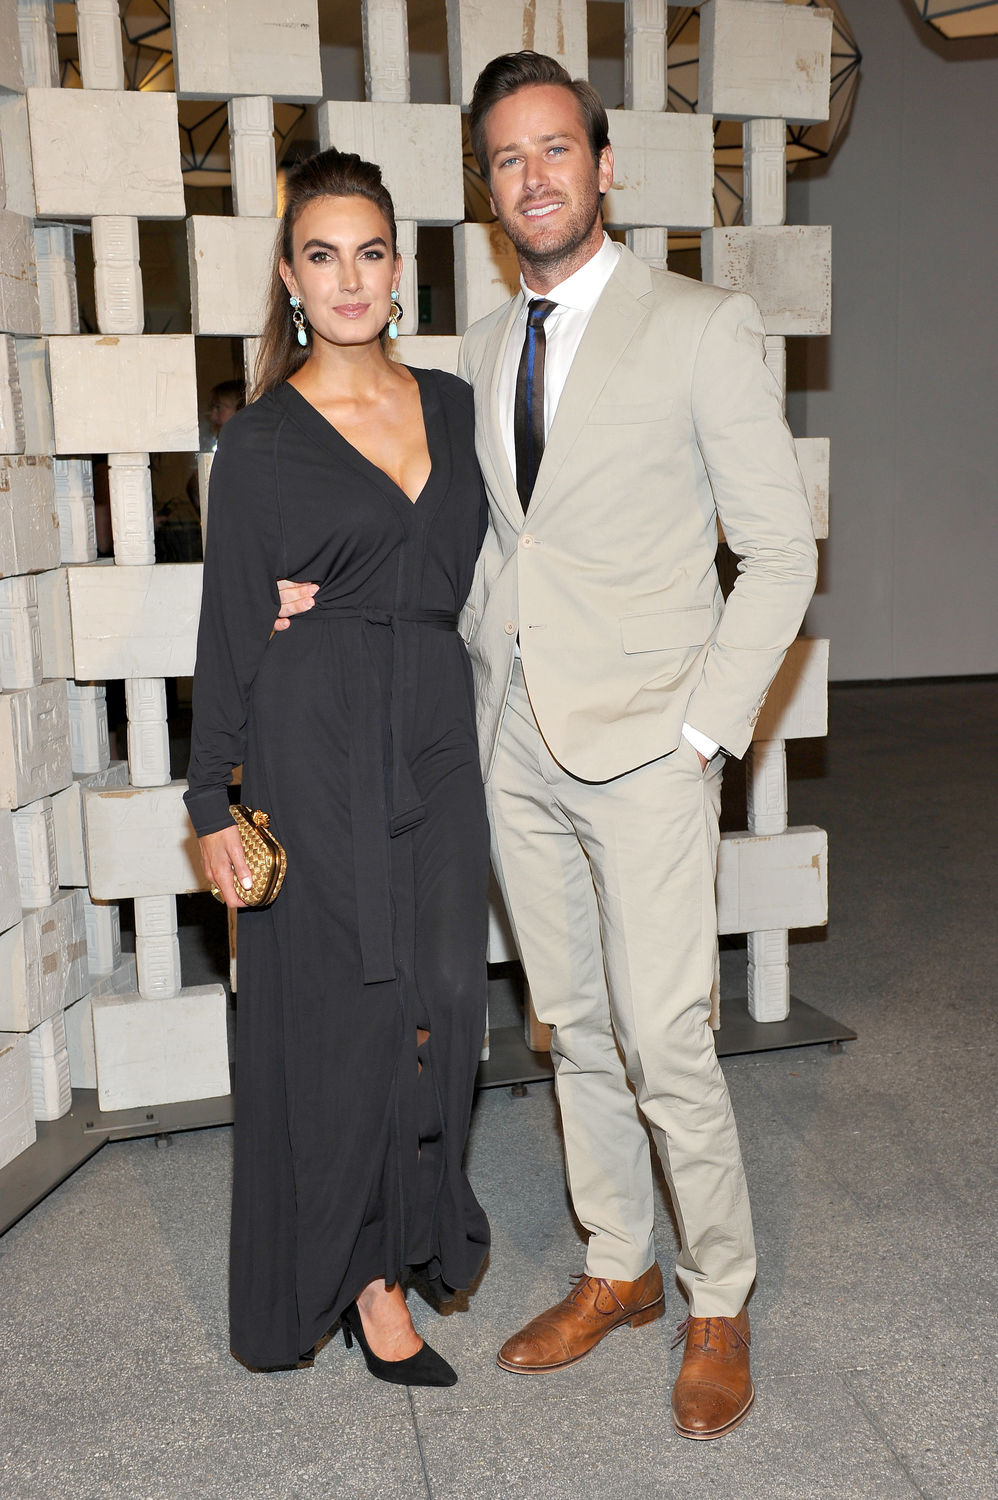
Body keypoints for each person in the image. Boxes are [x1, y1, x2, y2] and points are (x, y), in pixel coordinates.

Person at [277, 52, 818, 1438]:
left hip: (648, 743)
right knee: (570, 1024)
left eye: (554, 150)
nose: (533, 177)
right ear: (489, 186)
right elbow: (462, 536)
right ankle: (618, 1268)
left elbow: (774, 552)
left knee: (664, 1036)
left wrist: (705, 729)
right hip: (511, 736)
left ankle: (716, 1297)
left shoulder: (699, 325)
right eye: (507, 159)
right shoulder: (477, 342)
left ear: (601, 164)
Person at [184, 147, 491, 1386]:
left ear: (398, 271)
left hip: (436, 725)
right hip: (314, 735)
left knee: (445, 1007)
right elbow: (225, 625)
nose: (348, 276)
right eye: (323, 253)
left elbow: (493, 560)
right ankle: (368, 1283)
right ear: (289, 276)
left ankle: (419, 1224)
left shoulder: (456, 405)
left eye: (370, 251)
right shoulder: (259, 447)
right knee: (353, 1017)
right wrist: (211, 800)